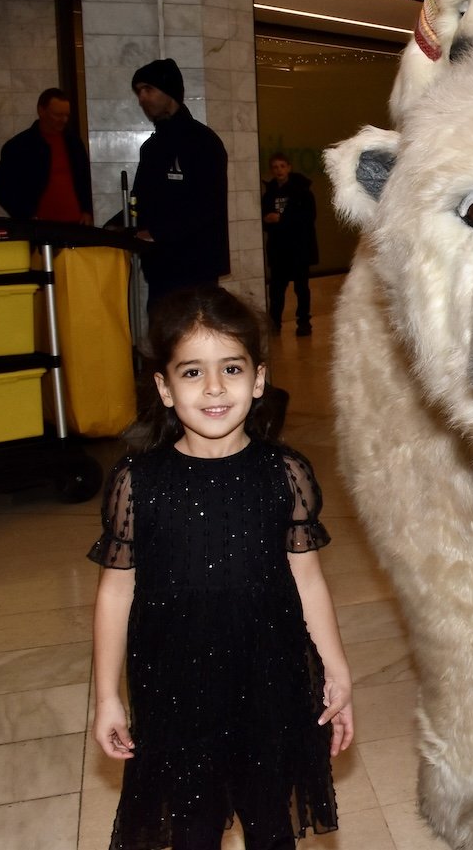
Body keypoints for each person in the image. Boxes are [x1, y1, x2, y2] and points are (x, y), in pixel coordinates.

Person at [89, 285, 353, 850]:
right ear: (163, 387)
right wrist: (107, 696)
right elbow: (115, 593)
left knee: (270, 822)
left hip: (269, 680)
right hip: (175, 688)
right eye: (191, 373)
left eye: (230, 368)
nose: (214, 388)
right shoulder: (138, 482)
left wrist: (335, 668)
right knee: (191, 829)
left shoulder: (285, 474)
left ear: (257, 380)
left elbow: (307, 578)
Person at [130, 58, 230, 310]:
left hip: (195, 269)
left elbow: (209, 206)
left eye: (148, 89)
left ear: (170, 92)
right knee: (164, 342)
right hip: (159, 268)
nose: (142, 98)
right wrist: (116, 227)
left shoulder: (203, 142)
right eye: (138, 91)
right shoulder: (151, 148)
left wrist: (157, 233)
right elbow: (139, 200)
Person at [0, 87, 95, 224]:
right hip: (40, 228)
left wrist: (87, 210)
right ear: (41, 111)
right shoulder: (19, 146)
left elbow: (85, 180)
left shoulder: (74, 142)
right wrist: (26, 215)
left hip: (76, 225)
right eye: (58, 115)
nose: (64, 120)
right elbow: (0, 189)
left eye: (67, 115)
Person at [260, 154, 318, 336]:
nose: (279, 170)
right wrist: (267, 220)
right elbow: (263, 221)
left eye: (282, 166)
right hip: (278, 248)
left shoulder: (302, 191)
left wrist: (281, 219)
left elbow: (309, 217)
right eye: (275, 167)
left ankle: (304, 322)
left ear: (289, 167)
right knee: (277, 289)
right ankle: (274, 322)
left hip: (299, 247)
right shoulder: (269, 193)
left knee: (301, 287)